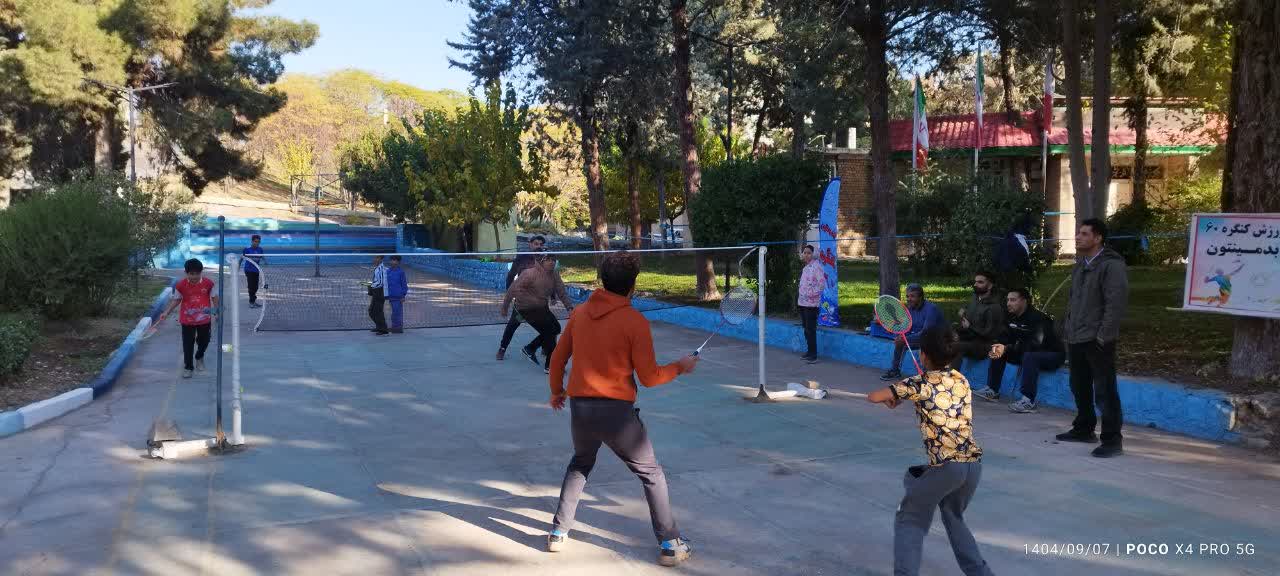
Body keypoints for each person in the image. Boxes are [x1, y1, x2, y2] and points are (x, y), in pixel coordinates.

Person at [545, 251, 699, 566]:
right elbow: (650, 378)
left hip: (581, 408)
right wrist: (680, 367)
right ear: (632, 286)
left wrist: (557, 391)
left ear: (602, 280)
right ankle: (670, 544)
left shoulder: (580, 314)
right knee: (651, 473)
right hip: (617, 414)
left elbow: (558, 358)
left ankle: (558, 533)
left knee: (580, 463)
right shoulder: (634, 321)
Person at [865, 326, 995, 576]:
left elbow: (874, 396)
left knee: (910, 518)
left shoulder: (917, 383)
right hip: (972, 466)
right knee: (954, 517)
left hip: (948, 468)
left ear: (923, 355)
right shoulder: (961, 379)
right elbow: (936, 398)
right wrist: (908, 394)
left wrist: (901, 393)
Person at [1059, 218, 1129, 458]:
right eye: (1078, 233)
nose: (1078, 237)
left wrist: (1103, 336)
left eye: (1084, 234)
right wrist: (1068, 329)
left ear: (1098, 238)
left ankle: (1112, 440)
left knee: (1104, 390)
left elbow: (1115, 304)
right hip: (1076, 336)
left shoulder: (1112, 266)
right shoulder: (1080, 265)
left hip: (1097, 339)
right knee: (1078, 386)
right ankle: (1083, 428)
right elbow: (1074, 301)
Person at [971, 288, 1064, 413]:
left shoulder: (1039, 319)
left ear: (1024, 301)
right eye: (1008, 300)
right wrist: (1000, 346)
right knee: (999, 349)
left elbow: (1036, 345)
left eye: (1013, 300)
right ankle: (992, 390)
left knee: (1030, 357)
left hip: (1051, 354)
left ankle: (1028, 401)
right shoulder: (1011, 317)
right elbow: (1005, 337)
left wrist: (1008, 348)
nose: (1009, 303)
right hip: (1027, 352)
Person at [500, 253, 574, 374]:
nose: (552, 262)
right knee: (550, 331)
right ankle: (550, 365)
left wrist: (569, 308)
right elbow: (512, 290)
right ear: (542, 261)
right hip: (525, 307)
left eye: (554, 259)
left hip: (541, 307)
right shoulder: (529, 273)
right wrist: (505, 307)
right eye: (548, 259)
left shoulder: (554, 274)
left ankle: (530, 348)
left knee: (556, 328)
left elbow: (562, 292)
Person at [163, 259, 219, 379]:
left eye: (197, 273)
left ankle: (199, 356)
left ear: (201, 272)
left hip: (204, 319)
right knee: (188, 344)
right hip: (187, 320)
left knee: (205, 340)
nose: (194, 276)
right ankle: (188, 367)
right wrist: (167, 311)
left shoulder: (209, 283)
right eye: (191, 274)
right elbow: (177, 300)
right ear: (186, 273)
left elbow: (214, 297)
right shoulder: (181, 285)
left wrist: (216, 311)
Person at [881, 284, 945, 381]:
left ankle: (926, 376)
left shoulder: (931, 309)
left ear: (920, 297)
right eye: (907, 296)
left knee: (921, 345)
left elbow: (926, 333)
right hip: (922, 338)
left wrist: (905, 339)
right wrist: (899, 336)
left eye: (912, 296)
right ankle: (895, 370)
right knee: (900, 342)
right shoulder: (910, 309)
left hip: (937, 340)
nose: (909, 299)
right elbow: (905, 328)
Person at [497, 236, 547, 360]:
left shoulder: (546, 259)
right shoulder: (521, 258)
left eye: (541, 244)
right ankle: (502, 348)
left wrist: (553, 295)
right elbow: (510, 276)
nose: (538, 246)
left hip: (539, 301)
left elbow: (551, 278)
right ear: (530, 244)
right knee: (513, 324)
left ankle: (546, 348)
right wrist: (509, 293)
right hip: (523, 302)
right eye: (536, 244)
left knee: (549, 326)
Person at [951, 271, 1005, 366]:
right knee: (944, 336)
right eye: (975, 282)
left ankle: (954, 373)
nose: (975, 285)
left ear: (990, 286)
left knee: (957, 346)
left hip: (985, 345)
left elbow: (989, 335)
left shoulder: (994, 307)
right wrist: (963, 314)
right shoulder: (975, 298)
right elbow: (970, 317)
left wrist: (969, 327)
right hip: (971, 338)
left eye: (980, 282)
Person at [797, 244, 827, 364]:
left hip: (811, 304)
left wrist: (810, 294)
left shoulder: (817, 267)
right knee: (806, 329)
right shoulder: (806, 268)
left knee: (810, 329)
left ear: (813, 254)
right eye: (804, 253)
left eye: (809, 253)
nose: (806, 255)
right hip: (802, 302)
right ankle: (809, 352)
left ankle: (813, 355)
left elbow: (821, 285)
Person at [385, 255, 409, 334]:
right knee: (393, 313)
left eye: (394, 260)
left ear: (398, 262)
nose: (392, 262)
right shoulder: (387, 271)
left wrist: (403, 295)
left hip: (398, 296)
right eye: (391, 260)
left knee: (397, 312)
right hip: (390, 296)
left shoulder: (401, 272)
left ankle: (398, 328)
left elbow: (404, 285)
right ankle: (394, 326)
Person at [367, 255, 389, 336]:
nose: (374, 259)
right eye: (374, 257)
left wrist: (371, 285)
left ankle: (383, 329)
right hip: (376, 291)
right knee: (371, 310)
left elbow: (381, 283)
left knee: (378, 311)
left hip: (380, 292)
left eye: (376, 258)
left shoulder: (382, 269)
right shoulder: (377, 268)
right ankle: (379, 326)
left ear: (380, 259)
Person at [241, 234, 265, 308]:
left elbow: (262, 256)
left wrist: (265, 262)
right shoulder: (247, 249)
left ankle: (253, 301)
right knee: (251, 286)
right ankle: (251, 302)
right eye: (255, 241)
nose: (257, 243)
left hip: (256, 270)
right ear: (252, 241)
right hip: (249, 270)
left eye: (258, 242)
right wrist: (238, 265)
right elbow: (242, 257)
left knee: (256, 287)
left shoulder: (260, 249)